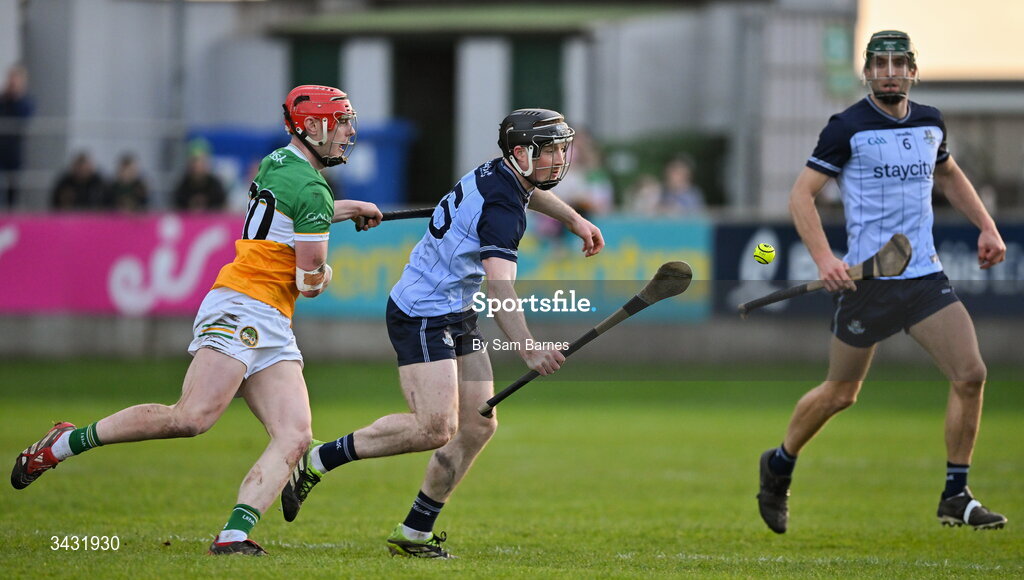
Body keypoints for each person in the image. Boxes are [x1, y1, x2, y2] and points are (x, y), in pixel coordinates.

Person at [11, 85, 383, 556]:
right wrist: (328, 264)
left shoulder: (278, 162)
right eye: (342, 121)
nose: (349, 131)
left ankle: (234, 535)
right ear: (311, 126)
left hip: (270, 317)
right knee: (191, 417)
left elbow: (294, 218)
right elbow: (310, 282)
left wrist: (348, 211)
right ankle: (66, 442)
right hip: (244, 306)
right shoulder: (313, 188)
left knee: (294, 435)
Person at [279, 108, 605, 558]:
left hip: (456, 311)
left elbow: (532, 193)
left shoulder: (505, 174)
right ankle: (318, 458)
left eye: (558, 149)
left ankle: (415, 531)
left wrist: (574, 220)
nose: (557, 159)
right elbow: (500, 284)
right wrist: (528, 348)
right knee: (434, 428)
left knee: (477, 425)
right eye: (547, 151)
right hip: (422, 313)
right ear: (520, 154)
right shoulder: (503, 208)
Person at [756, 31, 1008, 534]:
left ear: (913, 70)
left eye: (899, 63)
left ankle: (956, 494)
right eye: (879, 64)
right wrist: (826, 258)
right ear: (867, 73)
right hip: (867, 282)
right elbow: (801, 197)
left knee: (971, 374)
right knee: (841, 393)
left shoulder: (931, 122)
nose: (889, 71)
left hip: (922, 276)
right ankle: (779, 463)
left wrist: (987, 225)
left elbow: (950, 175)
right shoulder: (846, 127)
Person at [0, 64, 34, 209]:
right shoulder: (2, 99)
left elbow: (25, 115)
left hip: (14, 150)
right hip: (1, 147)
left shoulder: (26, 101)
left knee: (13, 187)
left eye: (16, 79)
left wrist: (16, 97)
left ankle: (11, 213)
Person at [172, 138, 228, 211]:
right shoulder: (183, 186)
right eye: (194, 161)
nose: (197, 165)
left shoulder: (215, 186)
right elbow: (177, 208)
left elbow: (223, 209)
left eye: (201, 161)